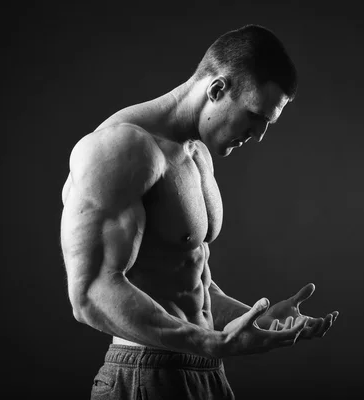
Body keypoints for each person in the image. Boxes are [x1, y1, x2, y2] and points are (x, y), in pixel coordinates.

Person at [60, 24, 339, 399]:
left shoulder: (197, 154)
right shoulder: (121, 149)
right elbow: (91, 293)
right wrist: (210, 342)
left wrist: (256, 319)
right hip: (145, 376)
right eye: (254, 116)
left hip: (203, 371)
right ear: (217, 89)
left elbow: (188, 281)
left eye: (267, 124)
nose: (258, 136)